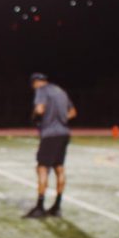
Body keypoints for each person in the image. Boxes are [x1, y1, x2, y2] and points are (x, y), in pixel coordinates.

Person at [25, 73, 77, 219]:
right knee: (59, 168)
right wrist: (60, 118)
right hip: (64, 133)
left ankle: (40, 207)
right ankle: (57, 206)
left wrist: (38, 116)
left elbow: (40, 109)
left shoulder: (41, 90)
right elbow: (72, 112)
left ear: (35, 83)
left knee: (42, 168)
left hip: (50, 134)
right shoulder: (61, 91)